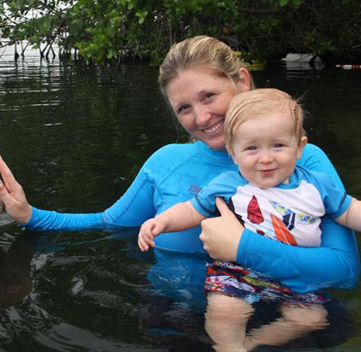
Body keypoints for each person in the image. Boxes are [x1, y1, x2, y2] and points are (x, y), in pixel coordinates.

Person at [0, 36, 358, 302]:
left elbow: (344, 270)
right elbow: (108, 223)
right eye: (184, 108)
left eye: (209, 96)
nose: (201, 117)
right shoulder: (165, 163)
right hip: (176, 319)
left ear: (242, 82)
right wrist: (31, 215)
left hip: (284, 316)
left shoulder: (299, 162)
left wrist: (243, 247)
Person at [138, 88, 361, 351]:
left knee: (311, 318)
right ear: (233, 152)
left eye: (278, 145)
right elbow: (192, 210)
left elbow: (348, 211)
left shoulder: (316, 185)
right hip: (238, 272)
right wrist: (161, 222)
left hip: (294, 277)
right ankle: (229, 346)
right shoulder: (230, 184)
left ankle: (252, 342)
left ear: (299, 147)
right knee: (225, 311)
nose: (266, 158)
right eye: (252, 148)